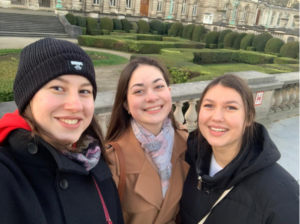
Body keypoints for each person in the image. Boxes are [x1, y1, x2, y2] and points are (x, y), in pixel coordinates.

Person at [0, 38, 123, 224]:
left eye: (84, 91)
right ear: (28, 98)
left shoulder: (95, 160)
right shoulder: (6, 174)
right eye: (58, 88)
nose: (75, 106)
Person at [179, 74, 299, 224]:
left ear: (248, 118)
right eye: (209, 105)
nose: (217, 117)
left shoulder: (281, 192)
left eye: (231, 107)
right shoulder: (186, 159)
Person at [105, 57, 190, 224]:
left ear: (169, 92)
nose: (152, 97)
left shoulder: (187, 141)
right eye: (139, 91)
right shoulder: (112, 159)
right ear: (126, 105)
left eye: (159, 87)